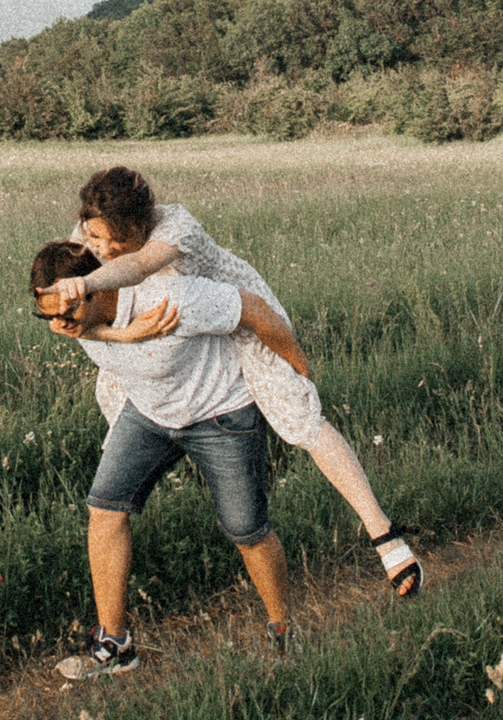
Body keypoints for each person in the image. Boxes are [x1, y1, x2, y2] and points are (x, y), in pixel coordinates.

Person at [46, 165, 422, 599]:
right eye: (96, 240)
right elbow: (77, 315)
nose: (105, 250)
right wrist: (120, 333)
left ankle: (384, 534)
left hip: (245, 317)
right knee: (118, 389)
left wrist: (295, 358)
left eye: (118, 241)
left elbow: (135, 269)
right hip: (180, 325)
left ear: (144, 222)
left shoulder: (176, 226)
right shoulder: (88, 232)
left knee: (300, 417)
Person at [30, 240, 297, 676]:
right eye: (48, 315)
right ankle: (114, 645)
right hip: (149, 413)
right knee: (105, 508)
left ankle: (284, 632)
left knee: (246, 530)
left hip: (220, 413)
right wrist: (123, 334)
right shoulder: (77, 316)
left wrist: (299, 371)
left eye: (64, 314)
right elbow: (100, 331)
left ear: (96, 291)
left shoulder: (173, 297)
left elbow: (253, 309)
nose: (58, 325)